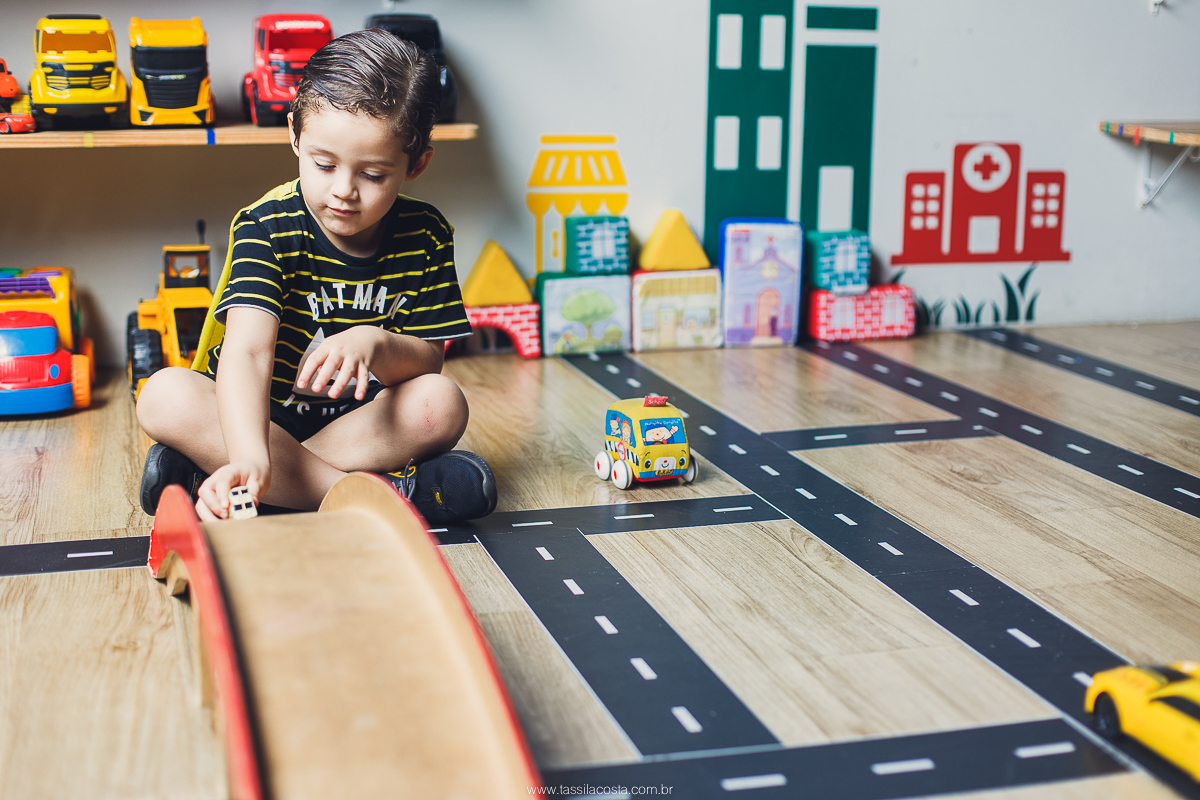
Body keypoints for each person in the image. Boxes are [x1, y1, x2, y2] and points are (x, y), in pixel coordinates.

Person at [135, 29, 495, 524]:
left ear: (416, 165)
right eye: (323, 164)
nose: (343, 190)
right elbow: (248, 351)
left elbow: (427, 363)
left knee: (443, 402)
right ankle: (391, 498)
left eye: (372, 175)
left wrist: (375, 343)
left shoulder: (428, 234)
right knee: (162, 395)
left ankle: (230, 482)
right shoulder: (266, 225)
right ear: (295, 137)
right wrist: (250, 454)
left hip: (359, 429)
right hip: (254, 419)